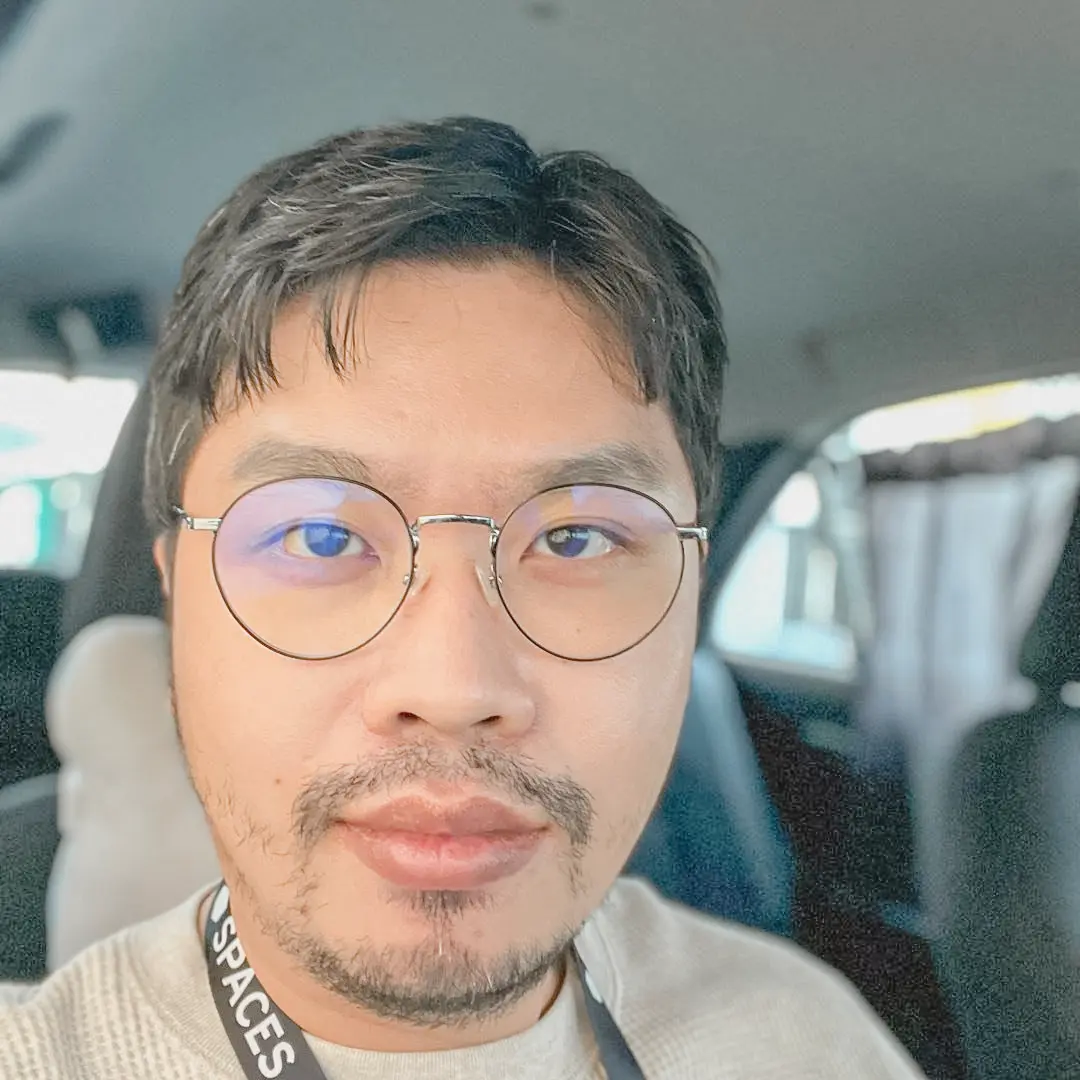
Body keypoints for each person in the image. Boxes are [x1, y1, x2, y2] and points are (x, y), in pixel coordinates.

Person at [0, 116, 924, 1079]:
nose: (452, 687)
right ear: (177, 606)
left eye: (576, 537)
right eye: (320, 536)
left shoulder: (805, 1037)